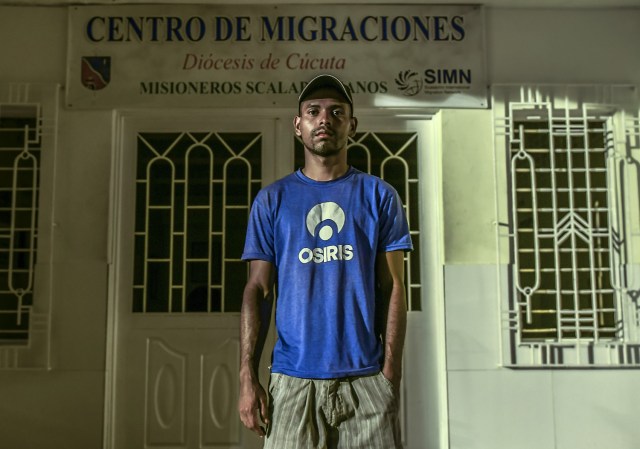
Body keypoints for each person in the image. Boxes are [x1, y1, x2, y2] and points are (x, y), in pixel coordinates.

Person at [238, 73, 413, 449]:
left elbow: (393, 286)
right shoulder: (273, 201)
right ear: (297, 125)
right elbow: (258, 288)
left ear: (352, 124)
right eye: (313, 111)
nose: (324, 119)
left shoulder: (379, 196)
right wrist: (247, 376)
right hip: (292, 384)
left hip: (365, 381)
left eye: (336, 112)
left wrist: (390, 375)